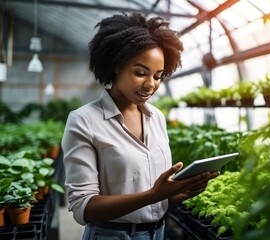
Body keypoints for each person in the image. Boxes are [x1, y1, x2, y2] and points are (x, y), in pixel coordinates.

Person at [61, 12, 219, 240]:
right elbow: (83, 207)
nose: (150, 85)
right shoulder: (84, 120)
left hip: (158, 232)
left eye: (158, 76)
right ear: (116, 65)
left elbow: (152, 192)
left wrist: (176, 192)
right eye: (140, 73)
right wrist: (154, 195)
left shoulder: (157, 118)